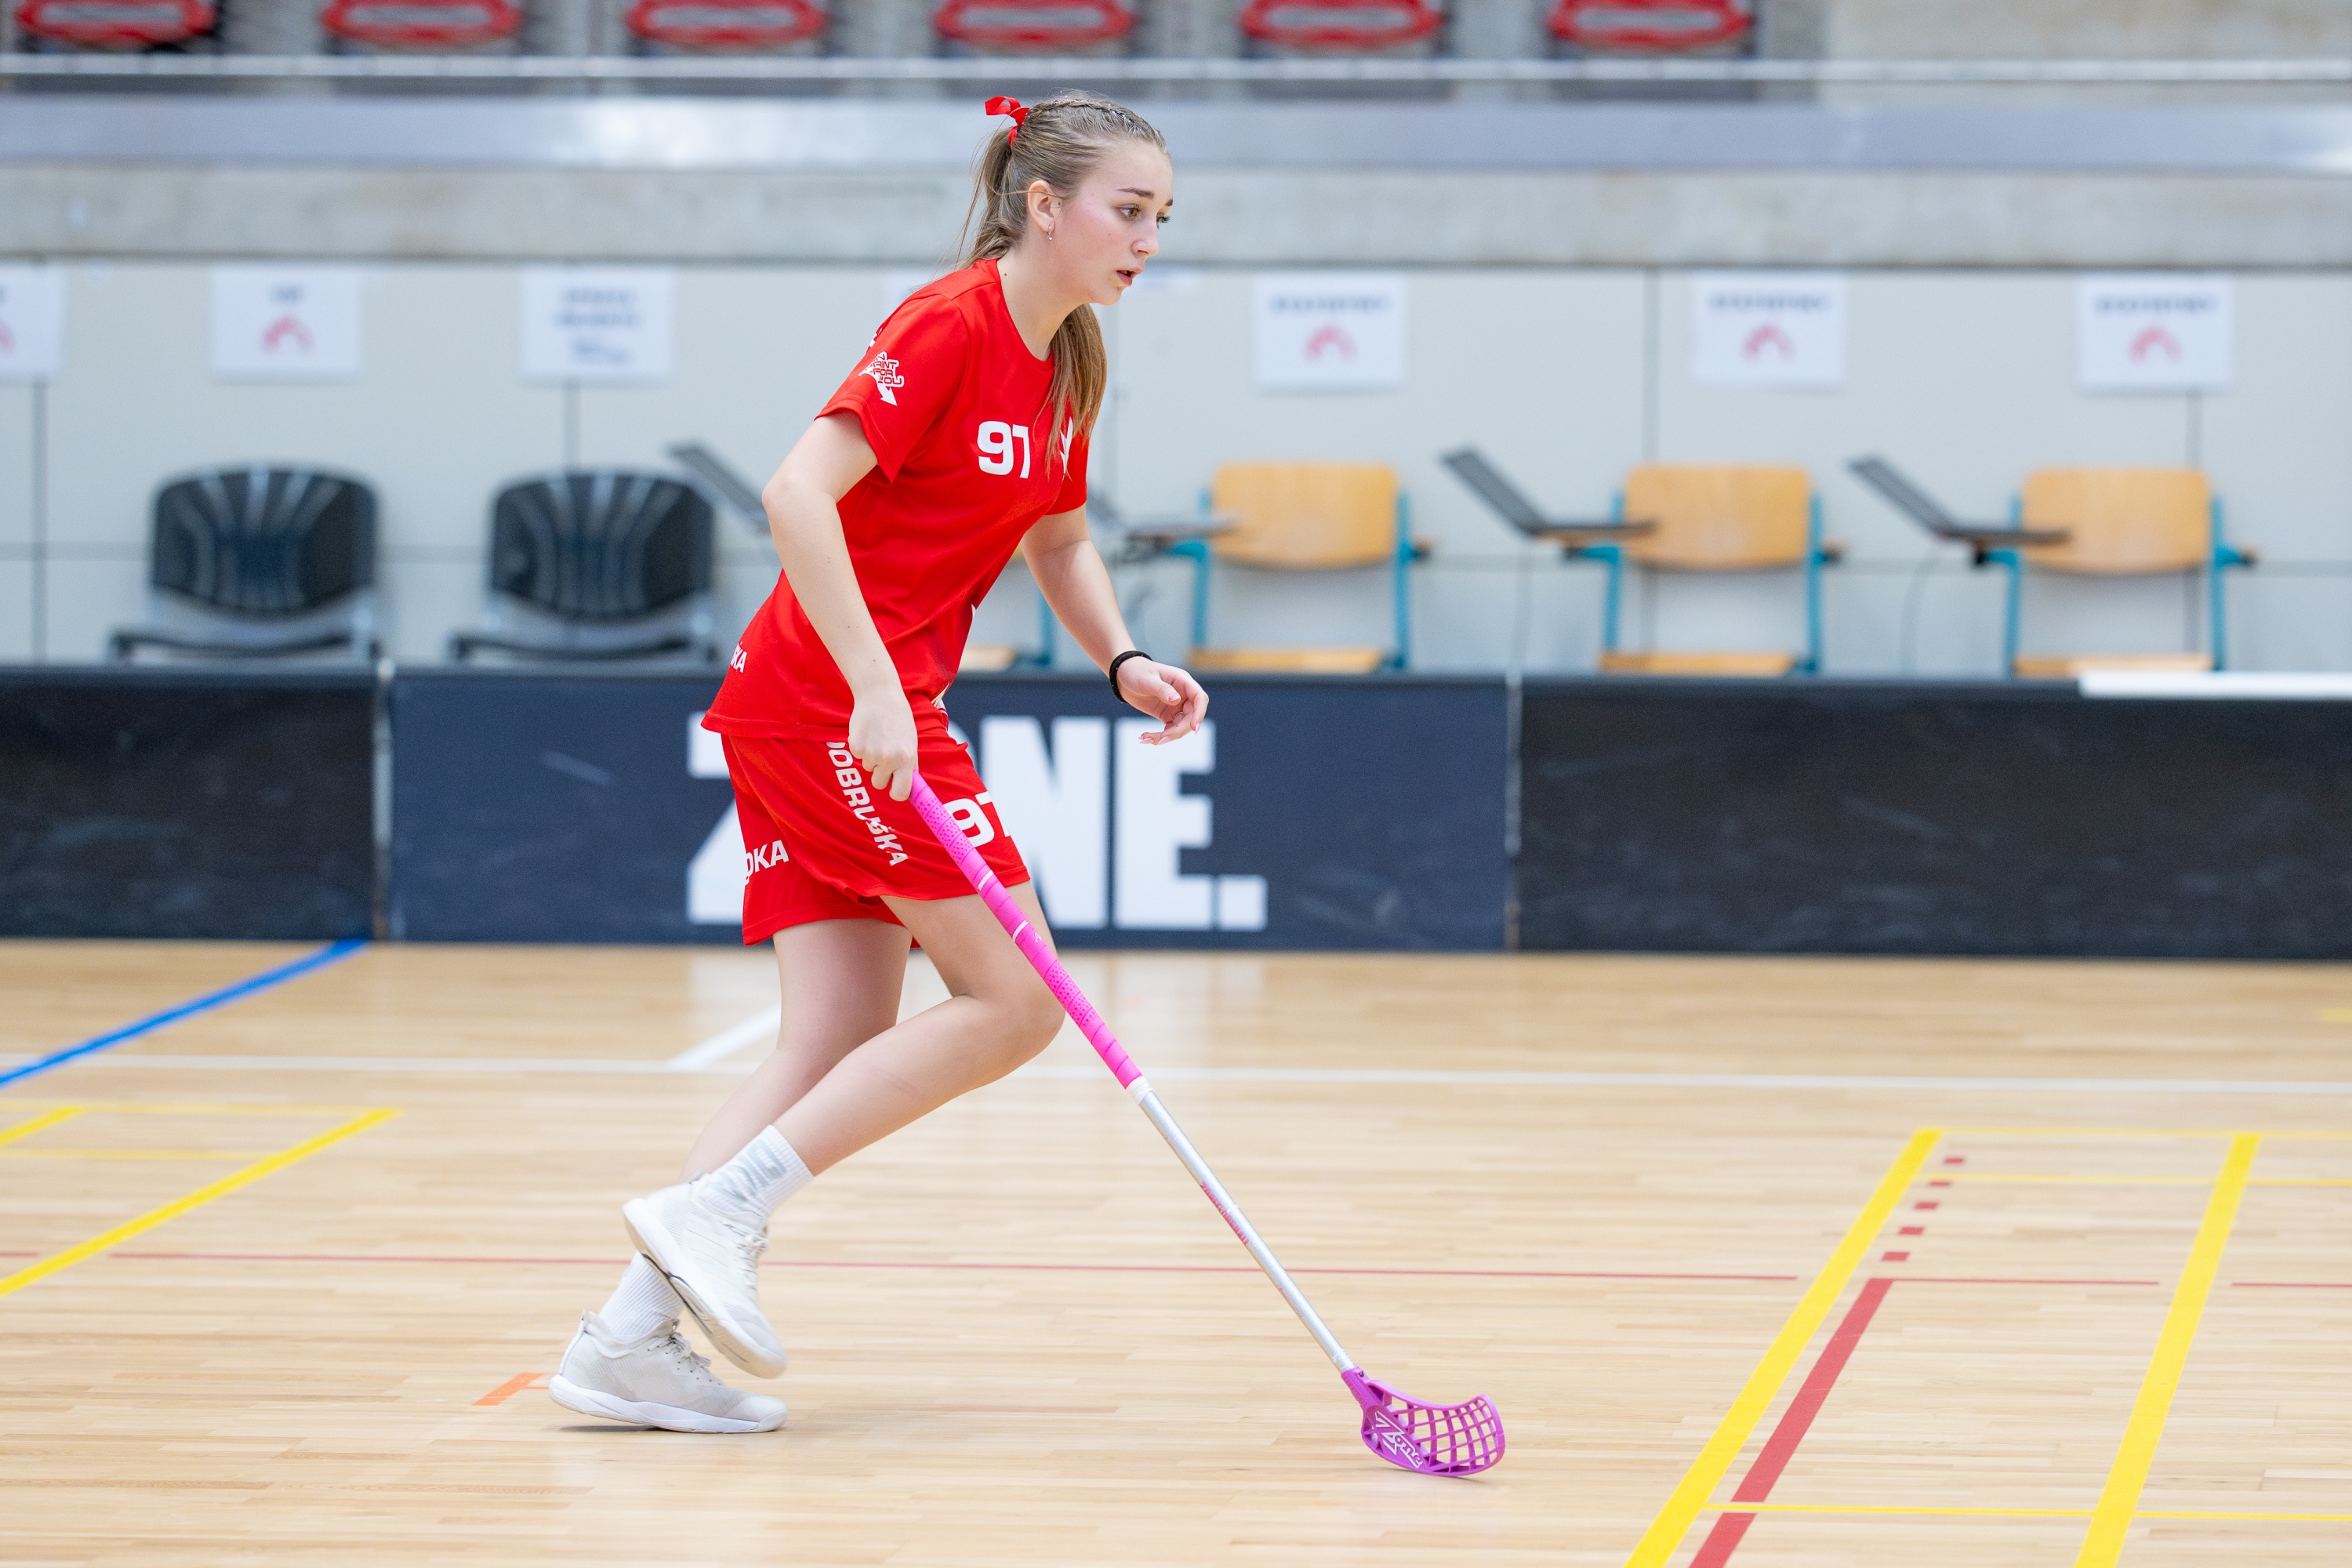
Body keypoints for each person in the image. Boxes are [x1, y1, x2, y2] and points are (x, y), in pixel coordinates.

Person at [549, 91, 1207, 1435]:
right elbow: (795, 493)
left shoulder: (1069, 359)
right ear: (1044, 205)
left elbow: (1060, 541)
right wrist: (871, 688)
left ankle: (626, 1342)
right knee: (1017, 1000)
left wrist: (1123, 658)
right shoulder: (950, 322)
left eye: (1162, 217)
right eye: (1130, 210)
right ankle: (719, 1216)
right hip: (832, 706)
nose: (1150, 239)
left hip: (830, 706)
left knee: (837, 1033)